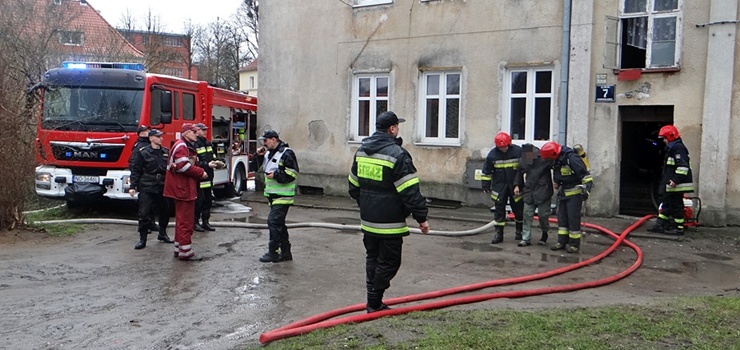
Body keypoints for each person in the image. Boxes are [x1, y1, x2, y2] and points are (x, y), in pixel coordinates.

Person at [348, 111, 430, 313]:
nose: (398, 130)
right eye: (397, 127)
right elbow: (410, 191)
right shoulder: (397, 155)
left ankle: (372, 301)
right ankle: (374, 301)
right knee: (390, 262)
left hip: (368, 220)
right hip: (390, 222)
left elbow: (352, 187)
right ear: (392, 129)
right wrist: (422, 218)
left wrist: (367, 204)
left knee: (373, 258)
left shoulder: (361, 151)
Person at [254, 130, 299, 263]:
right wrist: (257, 156)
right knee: (279, 224)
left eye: (266, 140)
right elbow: (255, 168)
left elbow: (293, 173)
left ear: (274, 139)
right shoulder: (268, 153)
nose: (264, 143)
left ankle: (273, 252)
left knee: (273, 222)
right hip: (273, 195)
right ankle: (285, 253)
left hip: (283, 195)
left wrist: (276, 175)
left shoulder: (287, 153)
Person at [540, 141, 593, 253]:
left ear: (554, 154)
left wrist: (586, 191)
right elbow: (558, 173)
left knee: (573, 219)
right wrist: (557, 182)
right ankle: (562, 242)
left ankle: (574, 245)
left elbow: (586, 177)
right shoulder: (557, 160)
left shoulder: (571, 158)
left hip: (574, 194)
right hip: (563, 193)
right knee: (562, 219)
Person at [164, 123, 207, 260]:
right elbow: (184, 167)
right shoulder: (182, 146)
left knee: (181, 220)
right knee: (186, 221)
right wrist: (201, 172)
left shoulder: (181, 145)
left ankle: (179, 248)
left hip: (181, 187)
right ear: (187, 133)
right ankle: (185, 251)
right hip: (183, 188)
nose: (196, 134)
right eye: (194, 132)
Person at [129, 129, 172, 249]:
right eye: (158, 137)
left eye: (161, 136)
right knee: (144, 213)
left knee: (165, 211)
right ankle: (142, 239)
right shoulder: (143, 152)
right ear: (151, 138)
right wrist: (132, 186)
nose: (161, 139)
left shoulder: (166, 152)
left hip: (162, 185)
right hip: (147, 185)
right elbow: (136, 170)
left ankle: (162, 234)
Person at [647, 125, 694, 235]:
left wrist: (675, 181)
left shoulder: (678, 148)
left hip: (676, 185)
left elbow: (683, 166)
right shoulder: (673, 148)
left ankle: (679, 228)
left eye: (664, 138)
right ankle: (659, 224)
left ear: (670, 137)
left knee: (676, 206)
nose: (664, 141)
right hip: (671, 184)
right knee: (667, 204)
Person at [481, 131, 524, 244]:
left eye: (505, 146)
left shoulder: (518, 151)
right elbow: (486, 172)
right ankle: (499, 234)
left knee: (518, 210)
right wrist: (485, 185)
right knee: (499, 211)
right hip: (499, 186)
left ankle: (519, 232)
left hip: (515, 185)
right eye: (501, 147)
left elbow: (530, 161)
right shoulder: (492, 155)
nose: (503, 149)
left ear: (509, 143)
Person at [513, 144, 553, 247]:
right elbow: (519, 172)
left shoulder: (545, 159)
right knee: (527, 215)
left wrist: (557, 181)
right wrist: (517, 185)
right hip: (529, 191)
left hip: (543, 191)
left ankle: (544, 233)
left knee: (543, 216)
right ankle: (525, 239)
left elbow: (556, 167)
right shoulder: (524, 160)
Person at [129, 125, 158, 233]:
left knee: (153, 205)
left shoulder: (148, 144)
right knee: (144, 207)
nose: (149, 132)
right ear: (141, 133)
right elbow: (134, 164)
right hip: (144, 180)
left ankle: (151, 223)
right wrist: (134, 183)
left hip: (153, 181)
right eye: (146, 130)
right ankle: (144, 228)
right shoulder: (140, 147)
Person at [193, 123, 218, 232]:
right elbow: (195, 162)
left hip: (208, 176)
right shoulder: (195, 144)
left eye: (205, 129)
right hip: (200, 176)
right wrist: (207, 165)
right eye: (202, 130)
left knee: (208, 200)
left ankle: (205, 222)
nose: (205, 131)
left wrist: (216, 162)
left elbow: (212, 156)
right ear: (197, 130)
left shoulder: (207, 143)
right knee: (199, 201)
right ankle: (195, 222)